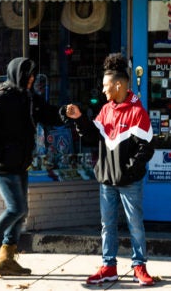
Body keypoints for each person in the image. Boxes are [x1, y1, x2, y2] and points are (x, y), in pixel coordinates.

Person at [63, 53, 156, 286]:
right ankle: (108, 267)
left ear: (118, 85)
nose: (103, 91)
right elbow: (94, 135)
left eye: (106, 86)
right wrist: (80, 118)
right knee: (107, 224)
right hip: (106, 179)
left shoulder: (138, 113)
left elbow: (147, 149)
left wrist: (128, 172)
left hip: (129, 181)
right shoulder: (106, 110)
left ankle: (139, 266)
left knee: (135, 223)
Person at [0, 57, 63, 276]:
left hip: (20, 164)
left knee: (21, 211)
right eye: (26, 75)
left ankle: (6, 259)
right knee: (16, 208)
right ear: (15, 74)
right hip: (2, 164)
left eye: (32, 75)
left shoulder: (28, 98)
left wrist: (66, 114)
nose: (30, 79)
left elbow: (48, 113)